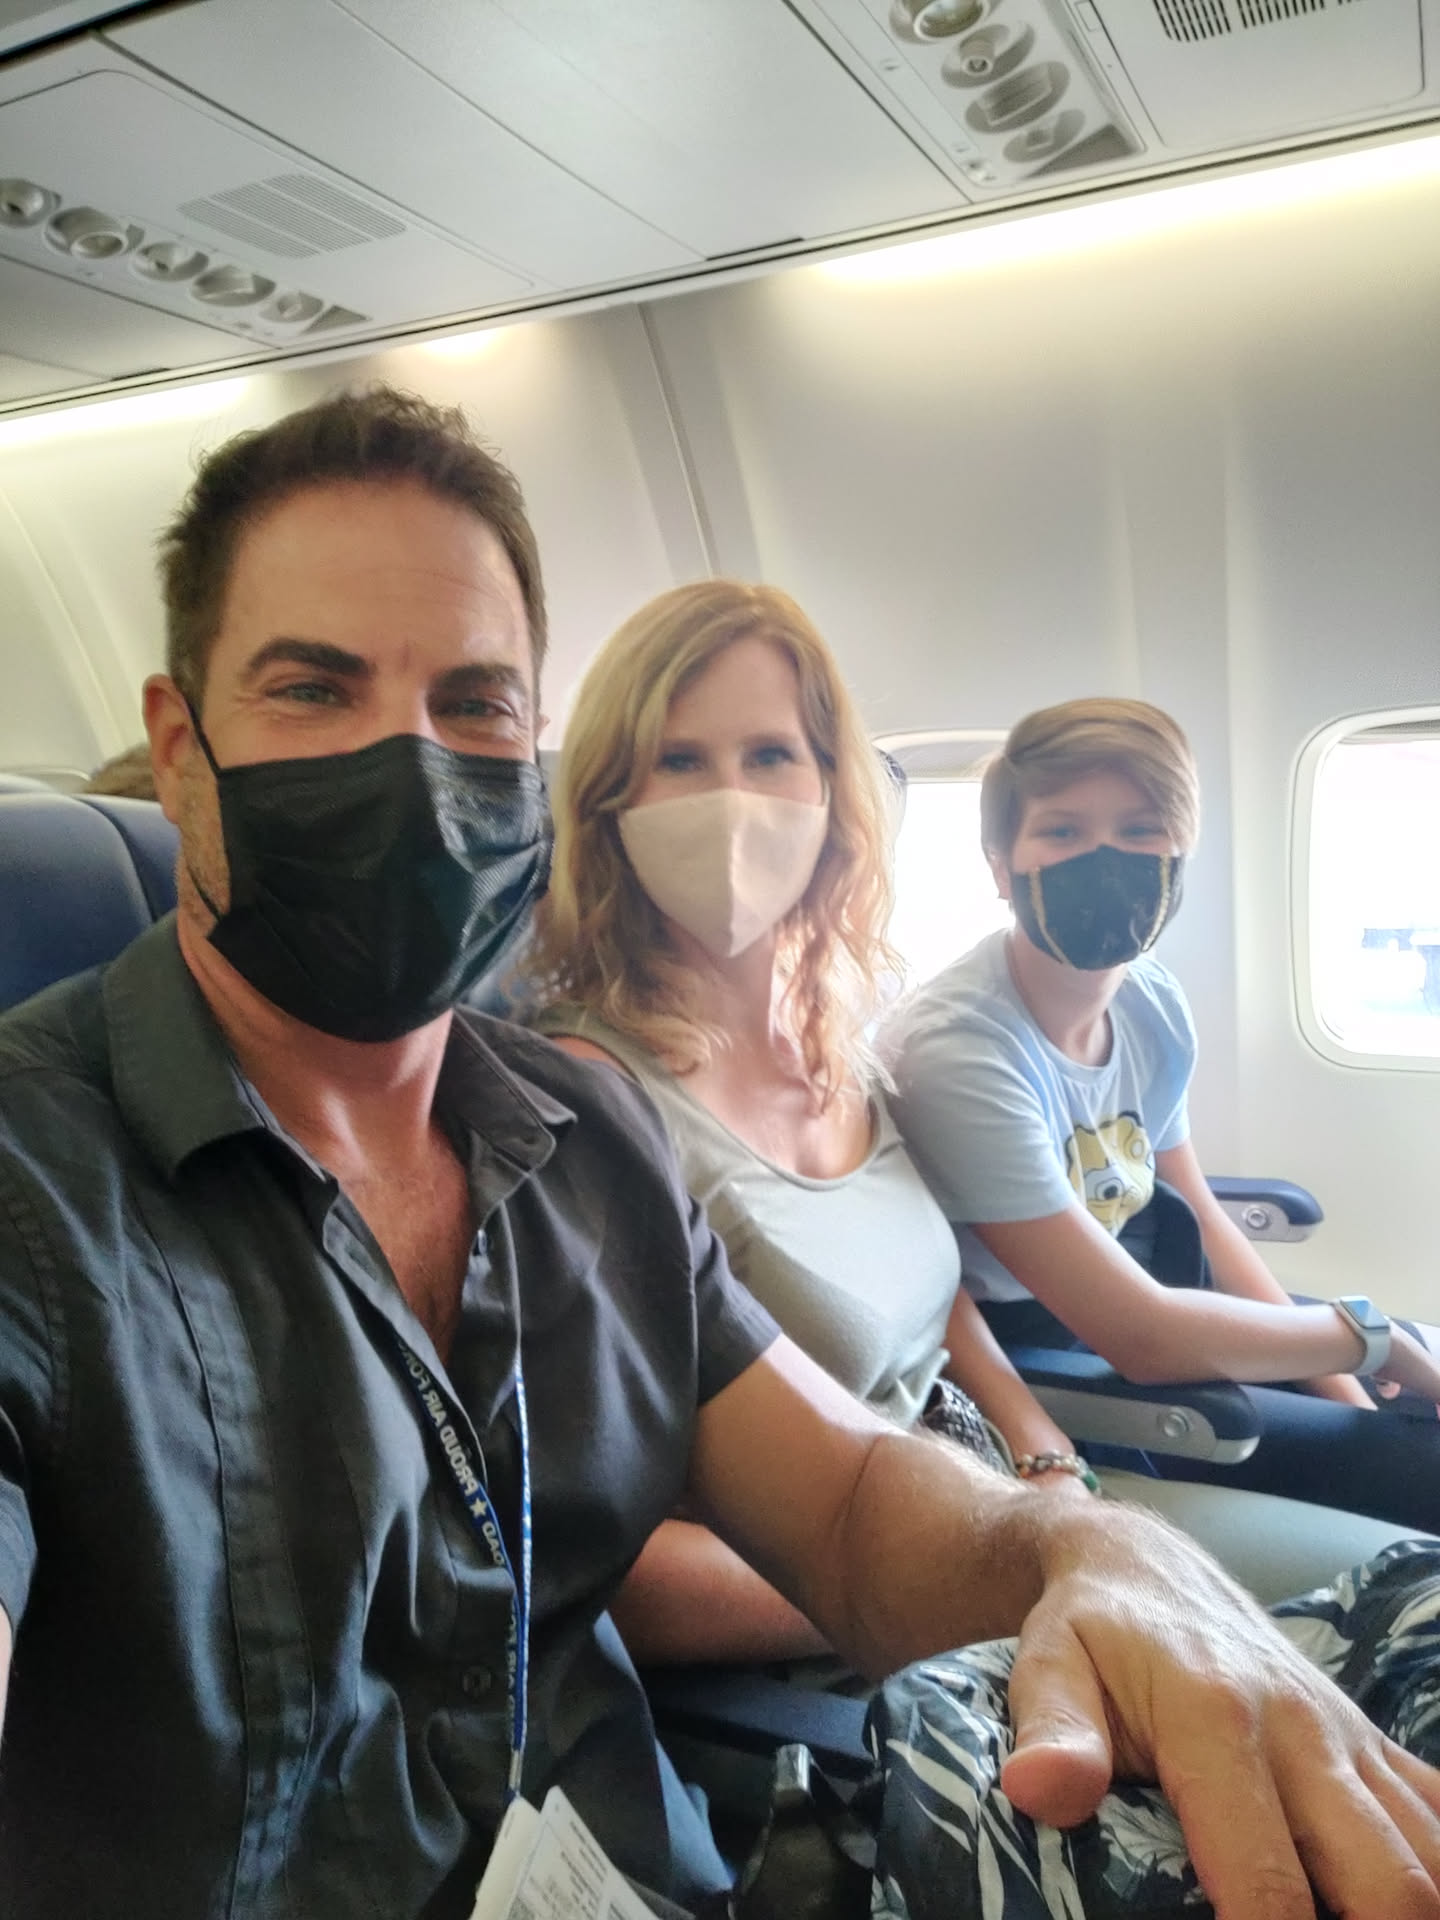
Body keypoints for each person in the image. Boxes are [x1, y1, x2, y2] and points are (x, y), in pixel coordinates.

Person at [1, 392, 1439, 1920]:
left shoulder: (583, 1141)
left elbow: (846, 1501)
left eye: (474, 706)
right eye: (313, 689)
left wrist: (1078, 1548)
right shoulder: (37, 1183)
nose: (407, 766)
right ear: (181, 749)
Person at [524, 582, 1418, 1668]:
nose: (732, 802)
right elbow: (608, 1571)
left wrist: (1039, 1461)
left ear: (832, 794)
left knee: (1409, 1594)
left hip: (985, 1486)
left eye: (770, 756)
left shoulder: (830, 1034)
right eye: (678, 760)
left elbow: (933, 1294)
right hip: (865, 1603)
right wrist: (987, 1580)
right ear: (607, 800)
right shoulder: (588, 1103)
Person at [885, 696, 1440, 1532]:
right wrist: (1373, 1339)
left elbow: (1203, 1220)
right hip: (1057, 1351)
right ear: (1001, 867)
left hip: (1149, 1291)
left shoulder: (1150, 1001)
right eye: (1062, 832)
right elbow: (1138, 1337)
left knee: (1406, 1413)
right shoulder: (959, 1051)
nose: (1104, 858)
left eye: (1140, 830)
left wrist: (1348, 1391)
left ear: (1179, 857)